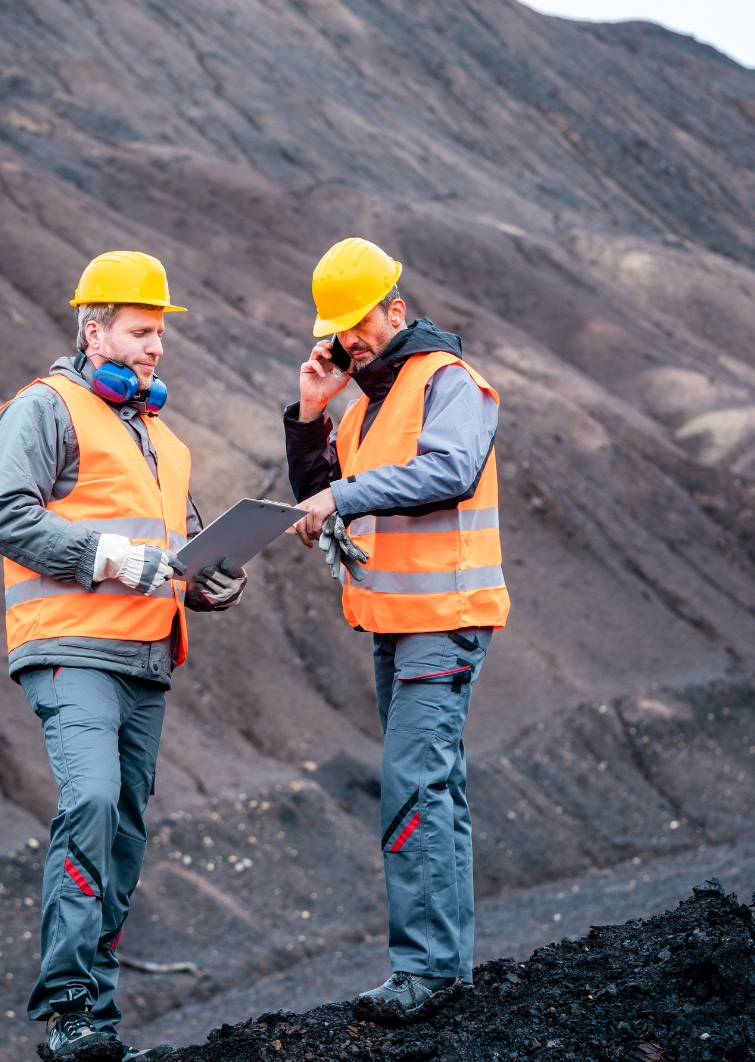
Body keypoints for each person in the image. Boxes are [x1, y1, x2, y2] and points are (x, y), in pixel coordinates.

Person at [0, 250, 246, 1062]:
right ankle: (65, 1014)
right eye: (140, 331)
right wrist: (108, 557)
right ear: (94, 332)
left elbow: (178, 555)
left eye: (160, 333)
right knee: (91, 802)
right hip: (70, 648)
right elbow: (3, 515)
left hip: (146, 659)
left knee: (124, 832)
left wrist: (214, 581)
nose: (156, 346)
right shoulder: (44, 408)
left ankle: (96, 1018)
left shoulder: (165, 441)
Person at [282, 237, 509, 1012]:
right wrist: (312, 416)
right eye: (340, 329)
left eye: (360, 323)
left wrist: (340, 501)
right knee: (434, 786)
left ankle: (427, 971)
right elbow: (323, 488)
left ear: (397, 309)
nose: (350, 340)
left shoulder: (450, 382)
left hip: (444, 617)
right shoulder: (366, 407)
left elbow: (449, 470)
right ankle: (448, 968)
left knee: (413, 782)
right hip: (394, 620)